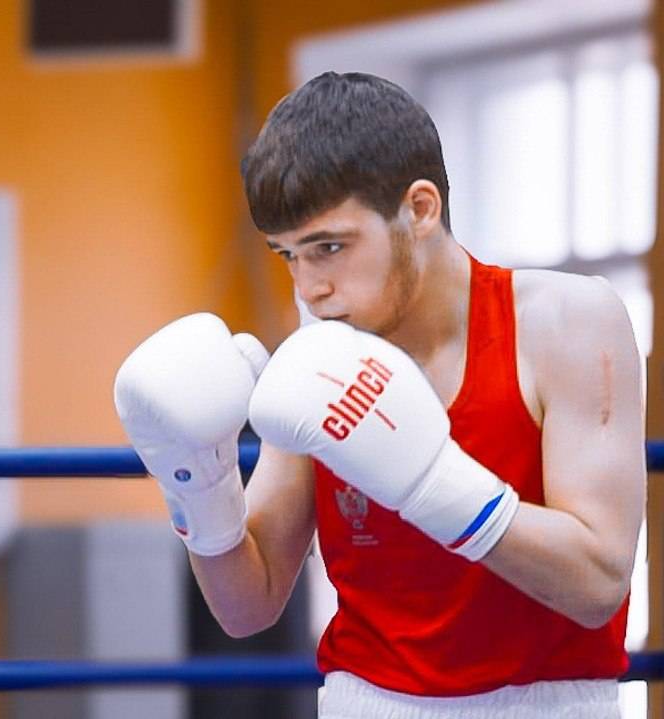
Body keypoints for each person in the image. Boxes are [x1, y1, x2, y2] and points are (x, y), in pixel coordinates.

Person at [115, 72, 644, 718]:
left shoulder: (565, 322)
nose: (309, 288)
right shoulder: (319, 362)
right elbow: (248, 607)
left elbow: (597, 583)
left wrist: (432, 484)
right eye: (288, 255)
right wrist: (199, 486)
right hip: (364, 701)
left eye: (329, 247)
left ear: (419, 209)